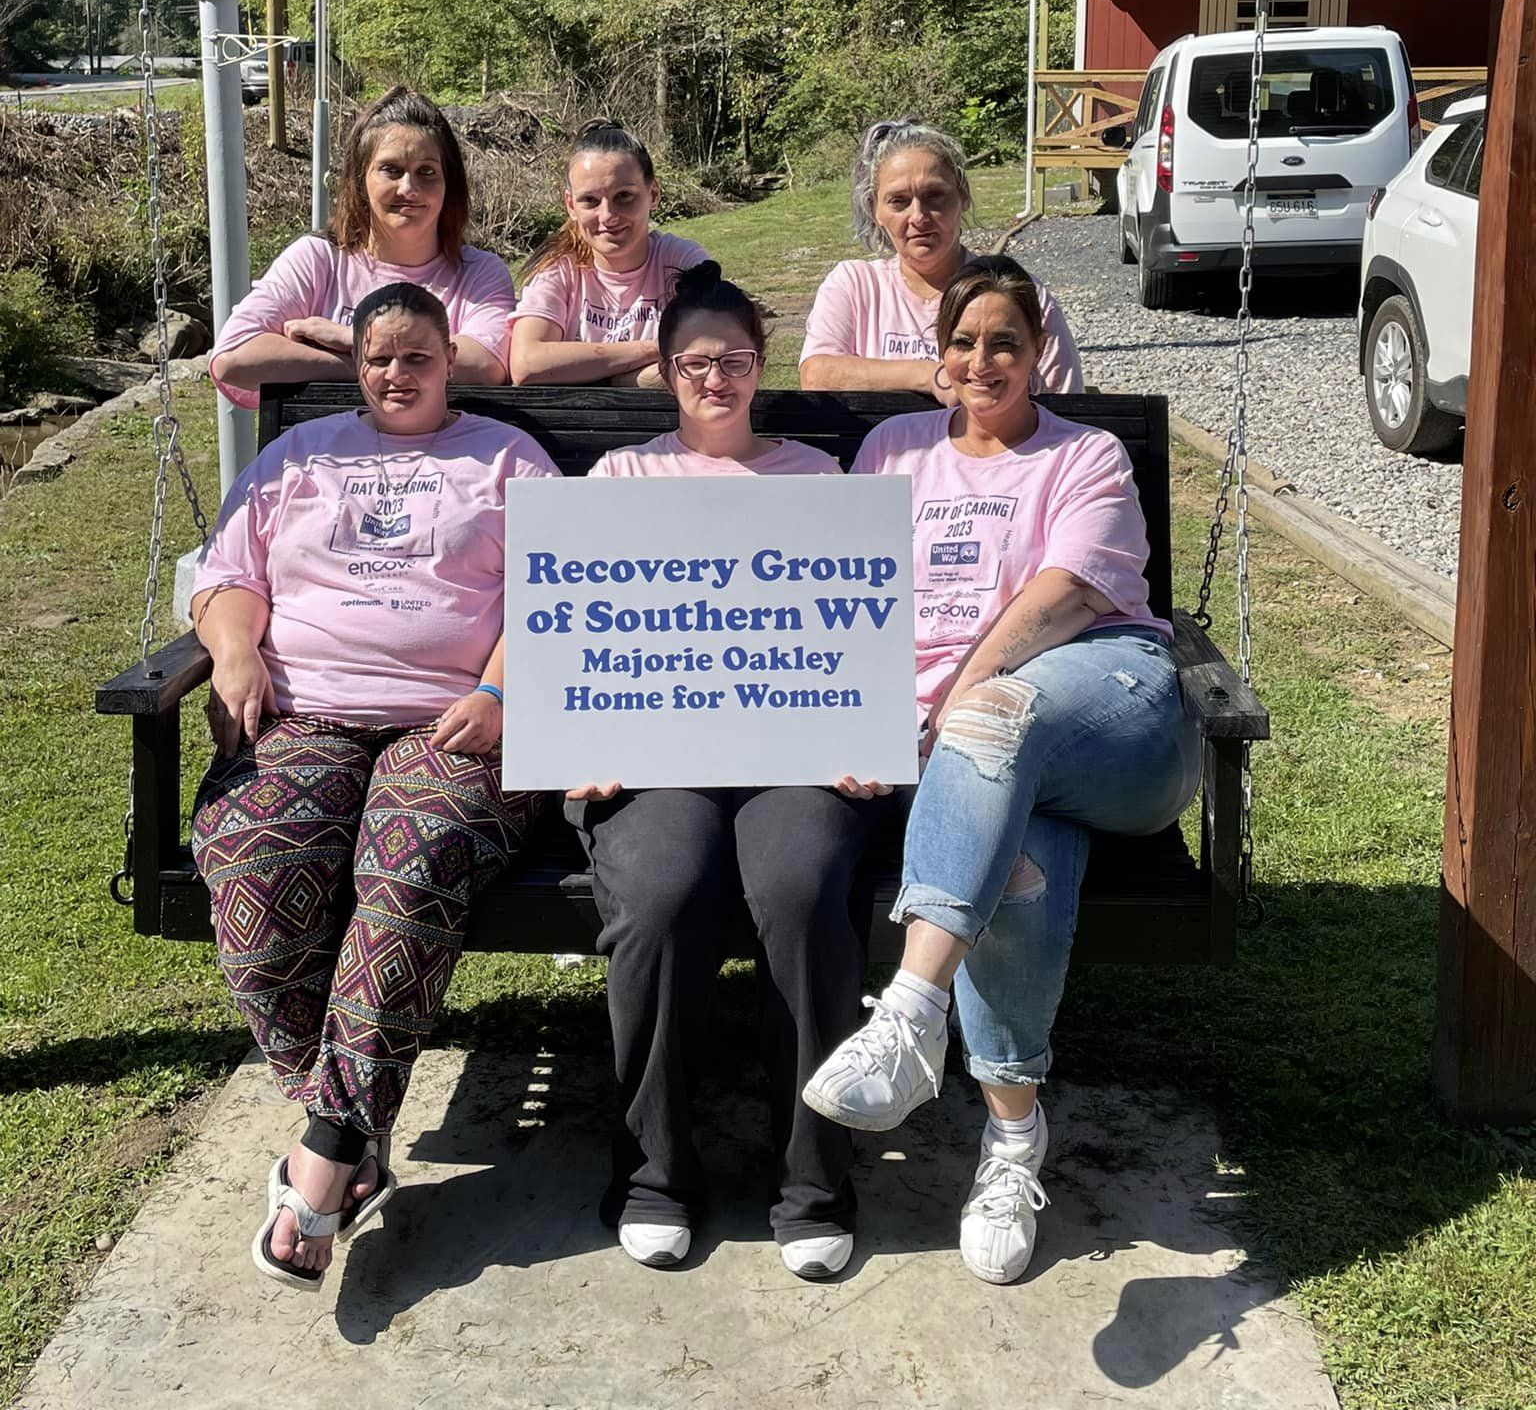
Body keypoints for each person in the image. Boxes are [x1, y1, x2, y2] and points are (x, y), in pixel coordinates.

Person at [802, 256, 1198, 1287]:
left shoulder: (1087, 455)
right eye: (964, 341)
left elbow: (1067, 596)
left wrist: (942, 708)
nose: (984, 360)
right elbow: (838, 592)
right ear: (938, 357)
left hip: (1109, 705)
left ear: (1039, 354)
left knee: (995, 716)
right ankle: (1013, 1137)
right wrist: (848, 712)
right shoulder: (894, 451)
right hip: (981, 756)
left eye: (1005, 342)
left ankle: (908, 1012)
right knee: (1016, 863)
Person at [191, 281, 559, 1291]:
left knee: (410, 872)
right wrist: (232, 653)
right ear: (357, 364)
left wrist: (497, 686)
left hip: (451, 717)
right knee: (256, 871)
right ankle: (352, 1128)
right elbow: (228, 577)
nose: (398, 372)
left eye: (417, 355)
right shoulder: (297, 457)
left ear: (452, 361)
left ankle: (324, 1154)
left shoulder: (505, 459)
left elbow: (558, 591)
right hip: (305, 709)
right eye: (380, 356)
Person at [569, 261, 891, 1282]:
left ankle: (813, 1179)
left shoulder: (817, 480)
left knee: (801, 890)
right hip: (655, 758)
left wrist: (860, 732)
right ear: (666, 371)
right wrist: (588, 738)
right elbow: (585, 634)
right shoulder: (621, 479)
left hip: (789, 754)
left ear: (762, 366)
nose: (717, 378)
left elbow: (851, 633)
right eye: (697, 362)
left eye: (736, 360)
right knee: (663, 892)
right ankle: (655, 1172)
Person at [211, 87, 512, 409]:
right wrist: (368, 362)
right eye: (391, 170)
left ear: (448, 184)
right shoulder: (318, 259)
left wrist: (349, 339)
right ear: (360, 180)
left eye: (427, 172)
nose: (409, 188)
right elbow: (234, 357)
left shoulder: (480, 274)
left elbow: (485, 365)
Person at [799, 119, 1083, 402]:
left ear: (963, 198)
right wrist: (932, 377)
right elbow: (816, 375)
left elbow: (1066, 408)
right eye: (898, 201)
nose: (918, 217)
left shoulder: (1017, 293)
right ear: (875, 211)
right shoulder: (855, 285)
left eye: (934, 196)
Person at [507, 120, 706, 385]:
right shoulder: (560, 271)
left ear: (654, 193)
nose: (608, 216)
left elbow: (710, 357)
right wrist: (654, 350)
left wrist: (603, 378)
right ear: (570, 205)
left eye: (624, 196)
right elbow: (526, 364)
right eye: (590, 200)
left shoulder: (682, 262)